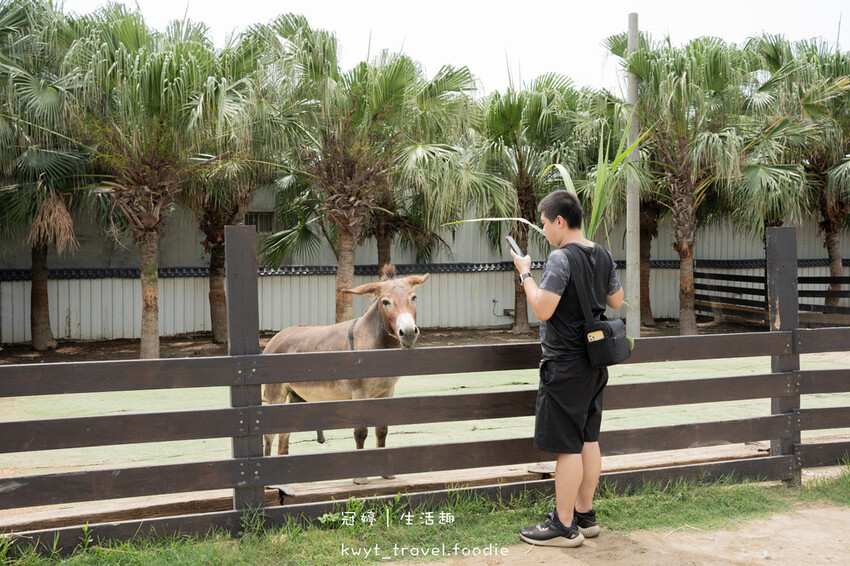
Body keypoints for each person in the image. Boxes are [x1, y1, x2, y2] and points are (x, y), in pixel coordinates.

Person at [510, 190, 623, 548]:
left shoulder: (560, 258)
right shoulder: (601, 253)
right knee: (589, 438)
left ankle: (563, 525)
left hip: (565, 365)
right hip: (594, 363)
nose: (544, 231)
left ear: (560, 220)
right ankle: (585, 515)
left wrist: (525, 274)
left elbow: (543, 309)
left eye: (544, 223)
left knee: (567, 448)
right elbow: (616, 301)